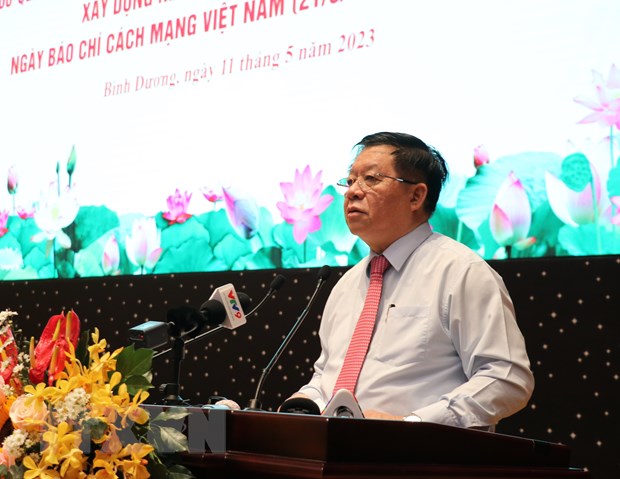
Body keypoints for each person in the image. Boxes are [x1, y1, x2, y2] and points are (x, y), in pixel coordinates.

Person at [285, 131, 534, 428]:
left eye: (371, 179)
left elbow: (506, 376)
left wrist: (412, 425)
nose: (352, 191)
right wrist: (300, 406)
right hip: (339, 457)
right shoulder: (346, 285)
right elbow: (327, 376)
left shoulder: (461, 271)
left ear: (416, 196)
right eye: (350, 181)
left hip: (422, 461)